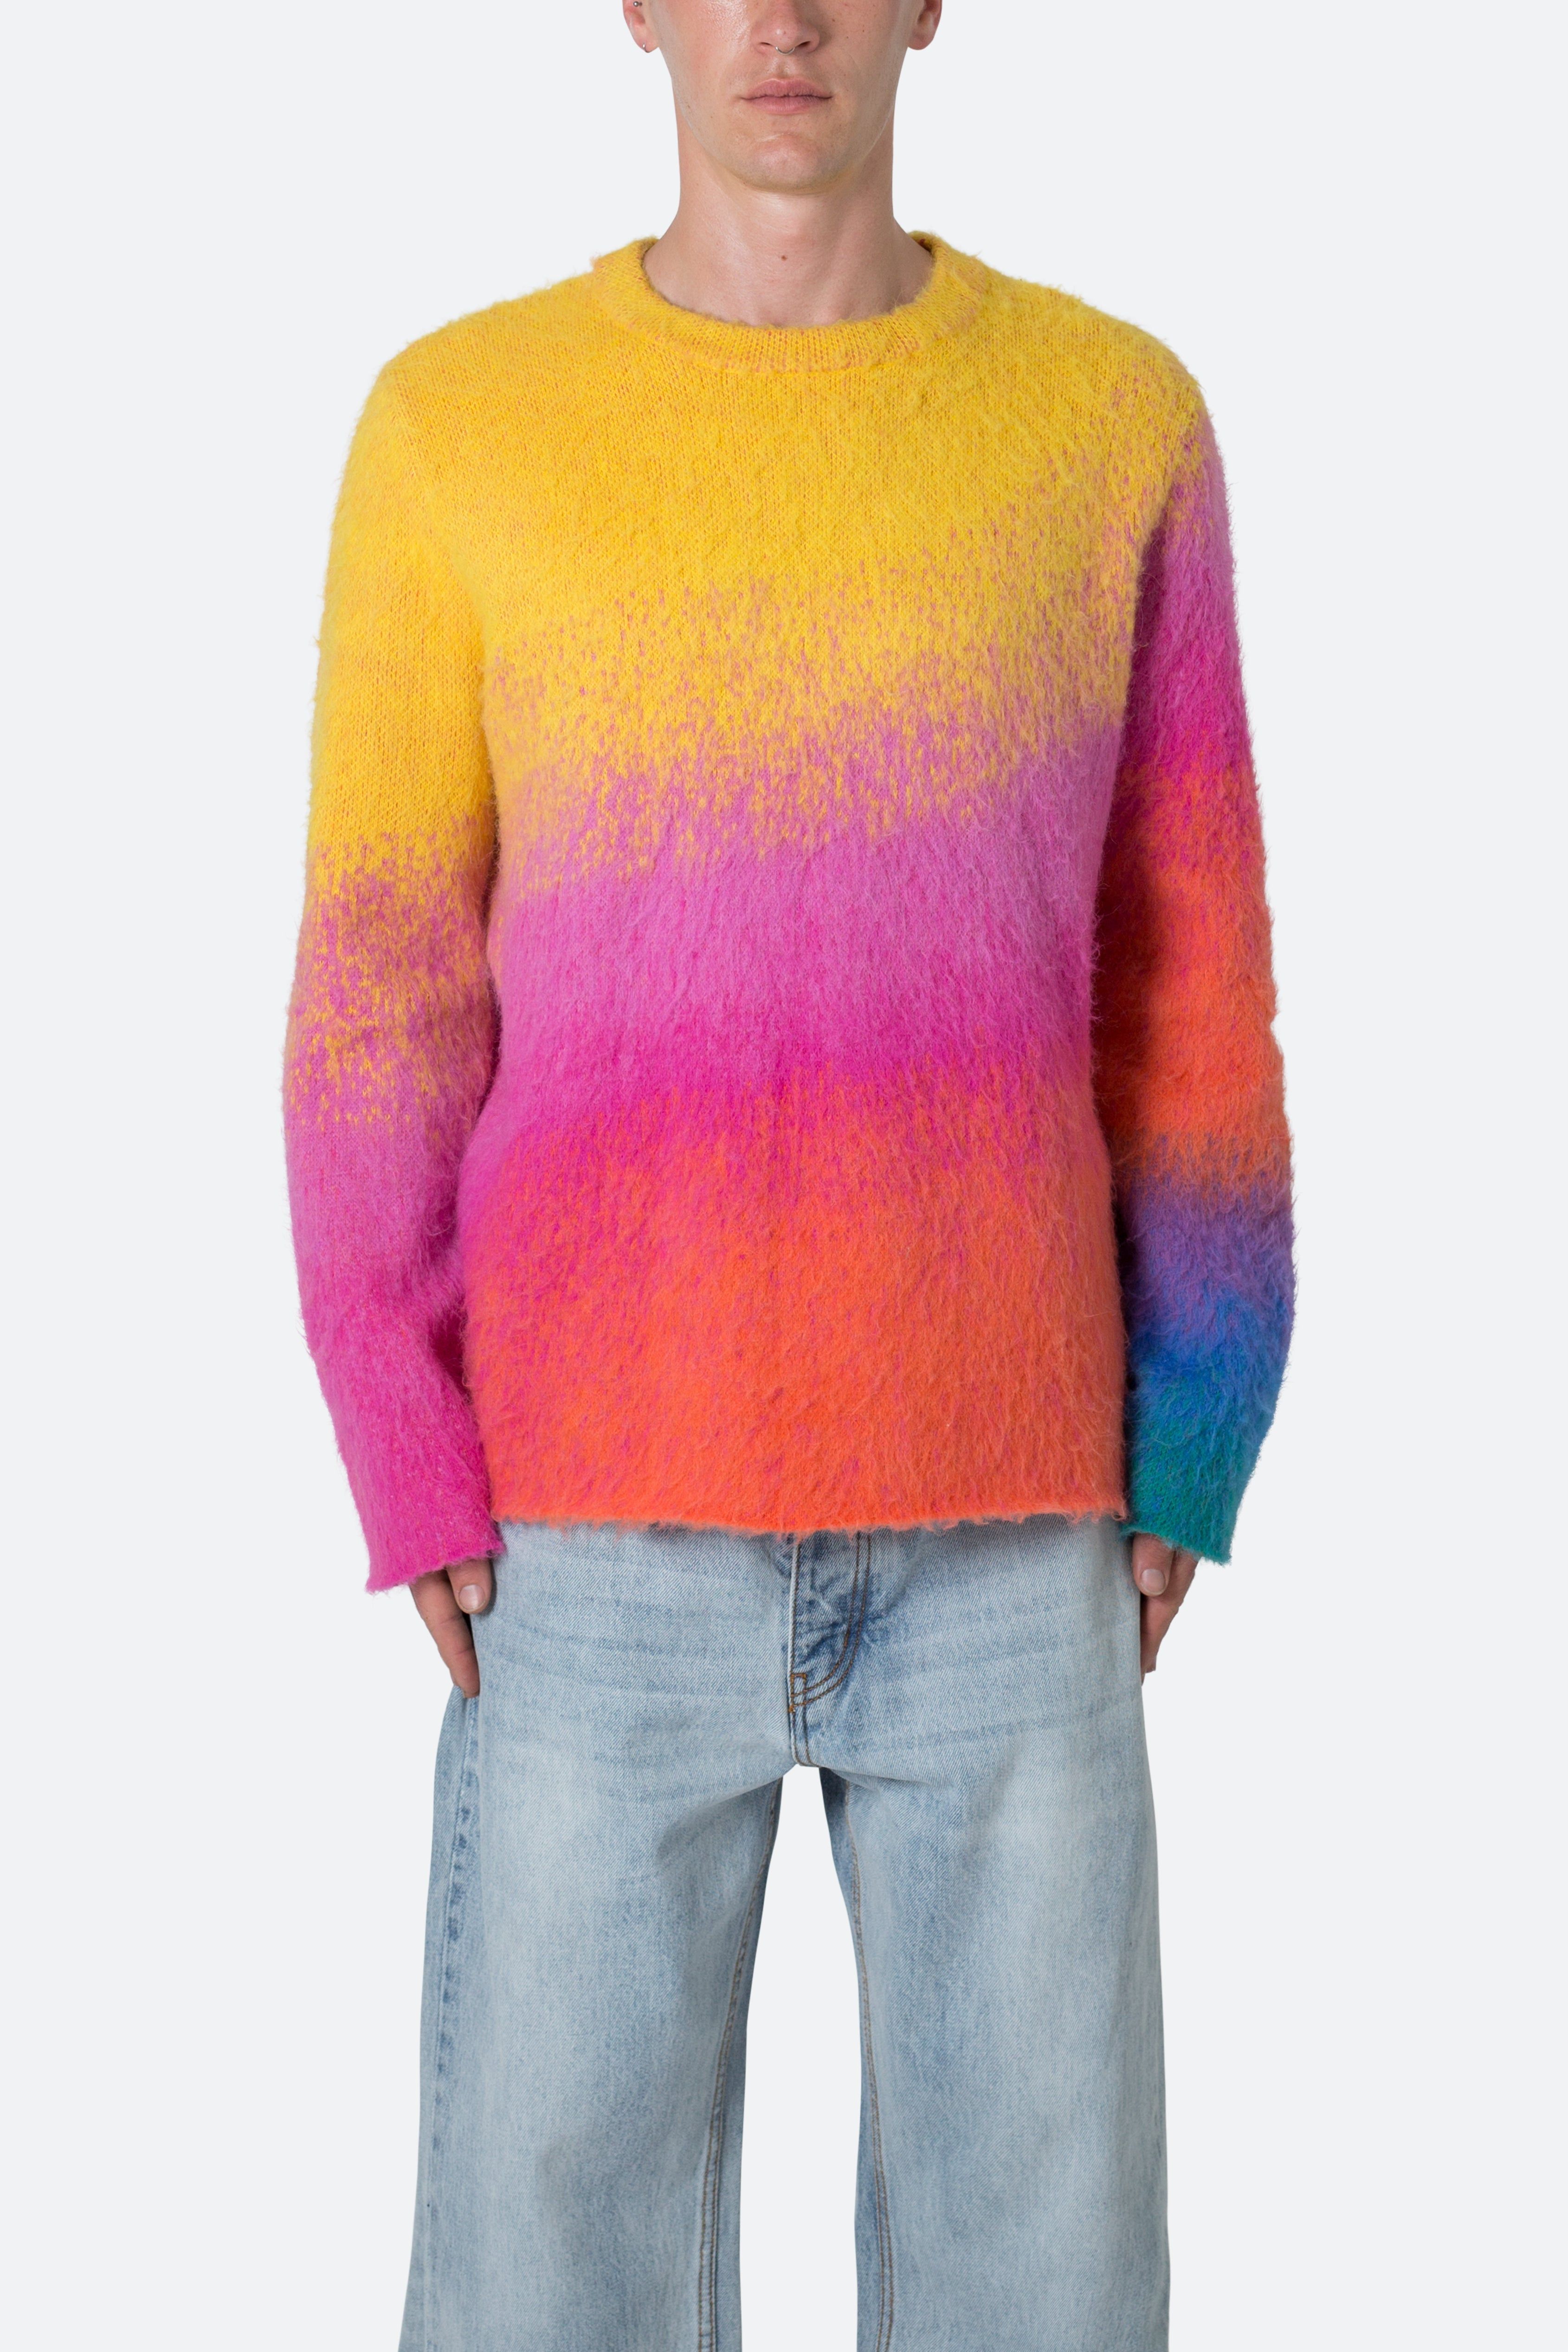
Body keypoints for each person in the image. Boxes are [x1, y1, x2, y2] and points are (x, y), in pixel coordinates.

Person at [283, 2, 1294, 2343]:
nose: (785, 19)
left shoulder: (1107, 420)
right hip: (585, 1517)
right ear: (635, 6)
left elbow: (1191, 957)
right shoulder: (458, 428)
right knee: (548, 2292)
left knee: (1041, 2290)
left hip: (1011, 1514)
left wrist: (1202, 1406)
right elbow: (378, 979)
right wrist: (400, 1433)